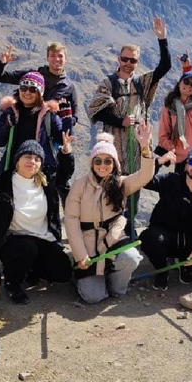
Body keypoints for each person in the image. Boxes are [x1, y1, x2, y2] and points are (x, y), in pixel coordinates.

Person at [87, 18, 171, 236]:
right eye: (125, 59)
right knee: (111, 190)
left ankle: (129, 231)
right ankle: (107, 233)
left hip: (137, 148)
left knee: (134, 190)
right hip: (115, 150)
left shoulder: (141, 83)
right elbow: (95, 110)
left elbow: (165, 67)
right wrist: (120, 121)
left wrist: (162, 39)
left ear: (137, 62)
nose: (128, 63)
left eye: (133, 60)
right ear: (119, 59)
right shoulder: (108, 83)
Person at [0, 136, 75, 304]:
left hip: (43, 238)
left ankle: (29, 269)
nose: (32, 161)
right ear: (17, 160)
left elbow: (64, 174)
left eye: (37, 159)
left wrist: (66, 153)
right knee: (26, 248)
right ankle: (12, 283)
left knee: (63, 272)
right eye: (27, 157)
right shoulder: (1, 184)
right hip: (13, 240)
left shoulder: (45, 182)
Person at [64, 123, 155, 304]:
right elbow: (71, 220)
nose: (103, 165)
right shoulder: (79, 186)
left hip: (113, 236)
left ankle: (115, 286)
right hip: (88, 241)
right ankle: (84, 275)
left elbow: (144, 176)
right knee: (93, 297)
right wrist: (81, 254)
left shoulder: (121, 183)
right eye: (98, 161)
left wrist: (145, 148)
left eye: (108, 161)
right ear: (92, 163)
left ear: (114, 163)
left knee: (130, 258)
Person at [140, 148, 192, 290]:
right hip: (166, 237)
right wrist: (158, 162)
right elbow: (145, 181)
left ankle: (186, 263)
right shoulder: (171, 181)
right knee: (150, 239)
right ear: (185, 165)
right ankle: (162, 270)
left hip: (190, 241)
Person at [0, 71, 72, 178]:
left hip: (41, 172)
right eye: (23, 88)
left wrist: (67, 119)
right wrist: (7, 125)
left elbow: (64, 139)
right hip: (12, 170)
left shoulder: (48, 114)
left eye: (33, 89)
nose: (27, 93)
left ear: (40, 92)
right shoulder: (10, 112)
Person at [0, 41, 78, 127]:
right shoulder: (32, 76)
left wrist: (65, 120)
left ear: (66, 58)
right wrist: (1, 63)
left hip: (50, 132)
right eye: (52, 56)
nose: (57, 59)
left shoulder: (68, 87)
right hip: (25, 127)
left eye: (60, 56)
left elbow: (75, 116)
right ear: (47, 58)